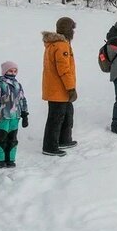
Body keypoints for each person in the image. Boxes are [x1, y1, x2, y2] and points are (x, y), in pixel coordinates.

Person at [41, 17, 78, 156]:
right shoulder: (61, 45)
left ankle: (64, 139)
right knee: (56, 118)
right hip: (59, 89)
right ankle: (50, 147)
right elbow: (64, 70)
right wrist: (71, 88)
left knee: (67, 113)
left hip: (57, 88)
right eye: (72, 28)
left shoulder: (57, 44)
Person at [0, 61, 29, 168]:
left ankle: (10, 159)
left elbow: (22, 100)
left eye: (15, 71)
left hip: (15, 117)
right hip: (3, 116)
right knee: (1, 137)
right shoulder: (0, 84)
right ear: (4, 71)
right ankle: (0, 160)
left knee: (13, 138)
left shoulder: (17, 85)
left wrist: (25, 114)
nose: (13, 73)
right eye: (10, 70)